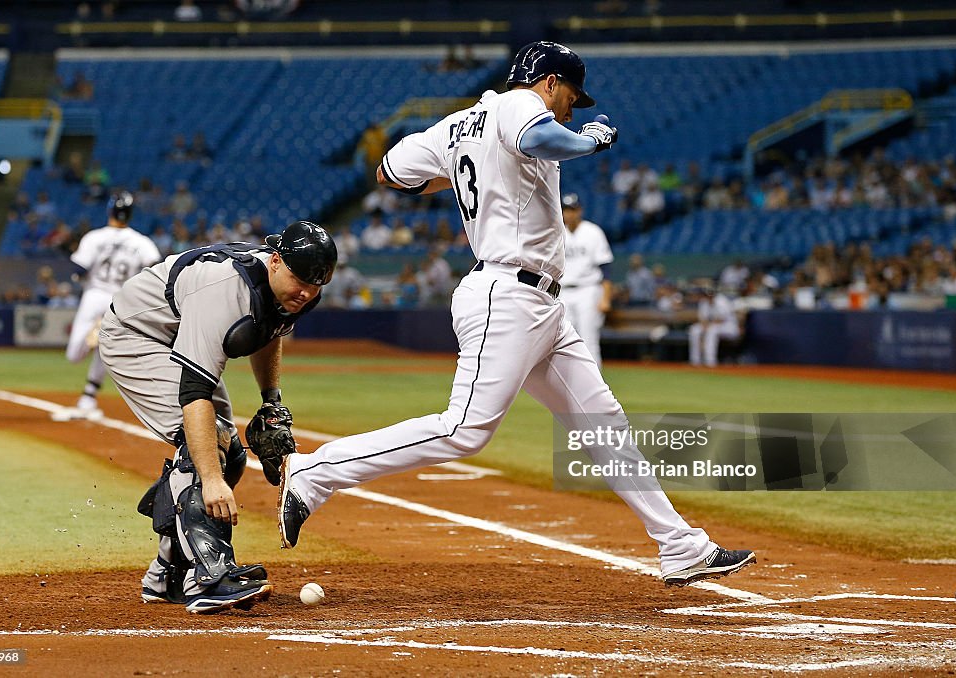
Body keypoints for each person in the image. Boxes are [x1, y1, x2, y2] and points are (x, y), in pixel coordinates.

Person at [278, 42, 754, 588]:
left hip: (542, 304)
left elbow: (389, 173)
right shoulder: (518, 106)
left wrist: (461, 170)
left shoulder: (458, 124)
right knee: (464, 431)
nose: (570, 110)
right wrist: (589, 138)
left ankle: (681, 547)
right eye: (570, 97)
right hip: (506, 294)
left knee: (602, 423)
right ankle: (317, 472)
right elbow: (539, 135)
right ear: (549, 82)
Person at [98, 221, 337, 614]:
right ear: (275, 262)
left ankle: (168, 573)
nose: (308, 292)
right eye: (299, 279)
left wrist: (270, 401)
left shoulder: (294, 291)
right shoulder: (225, 292)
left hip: (172, 331)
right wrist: (211, 480)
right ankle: (208, 576)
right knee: (209, 443)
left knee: (232, 454)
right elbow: (194, 395)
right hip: (135, 335)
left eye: (317, 283)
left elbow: (269, 331)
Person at [52, 192, 162, 421]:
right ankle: (101, 336)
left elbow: (78, 270)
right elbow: (155, 271)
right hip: (122, 300)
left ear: (110, 211)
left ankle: (88, 397)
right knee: (107, 346)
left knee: (74, 355)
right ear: (130, 214)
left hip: (94, 295)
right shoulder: (142, 242)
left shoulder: (94, 237)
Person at [559, 193, 614, 369]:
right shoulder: (557, 233)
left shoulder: (593, 232)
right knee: (563, 339)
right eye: (566, 210)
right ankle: (569, 381)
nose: (570, 214)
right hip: (563, 291)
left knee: (588, 338)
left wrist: (605, 297)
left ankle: (595, 382)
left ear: (580, 210)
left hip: (588, 290)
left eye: (573, 209)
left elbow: (605, 268)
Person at [687, 285, 741, 368]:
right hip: (712, 325)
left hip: (728, 326)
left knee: (712, 330)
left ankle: (710, 361)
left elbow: (721, 319)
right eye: (706, 294)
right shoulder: (704, 301)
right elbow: (702, 319)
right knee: (694, 329)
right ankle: (695, 361)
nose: (709, 296)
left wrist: (705, 333)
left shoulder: (722, 301)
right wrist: (703, 331)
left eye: (710, 294)